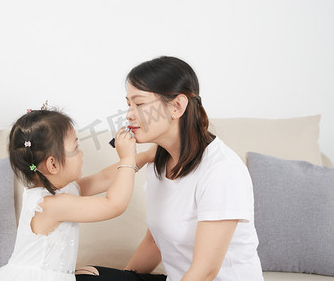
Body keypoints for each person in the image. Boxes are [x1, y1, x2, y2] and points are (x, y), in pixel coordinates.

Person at [75, 56, 263, 281]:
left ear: (177, 106)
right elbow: (154, 242)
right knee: (84, 276)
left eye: (140, 104)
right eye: (128, 105)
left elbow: (205, 272)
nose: (129, 114)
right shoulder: (159, 161)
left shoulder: (222, 171)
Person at [0, 108, 154, 281]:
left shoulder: (61, 191)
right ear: (53, 165)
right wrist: (127, 159)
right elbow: (114, 205)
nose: (81, 153)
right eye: (76, 148)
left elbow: (103, 177)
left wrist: (145, 156)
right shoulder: (51, 204)